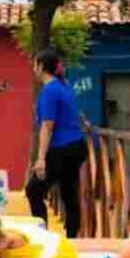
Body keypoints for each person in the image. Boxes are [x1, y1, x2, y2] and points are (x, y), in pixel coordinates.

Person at [25, 48, 87, 237]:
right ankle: (72, 239)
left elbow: (47, 126)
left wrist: (41, 159)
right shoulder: (64, 86)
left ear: (41, 66)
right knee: (69, 193)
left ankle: (42, 236)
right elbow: (73, 113)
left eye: (35, 64)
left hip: (62, 149)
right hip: (77, 146)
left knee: (33, 190)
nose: (33, 69)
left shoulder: (50, 90)